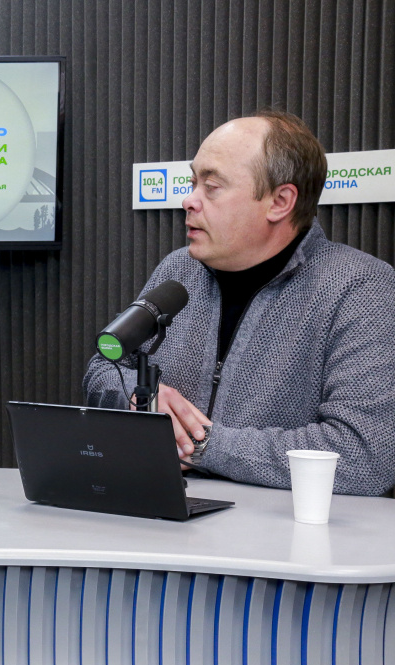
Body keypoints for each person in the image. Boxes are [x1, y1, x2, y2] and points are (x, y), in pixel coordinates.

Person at [84, 110, 395, 496]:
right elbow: (104, 366)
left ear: (279, 201)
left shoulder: (361, 288)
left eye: (211, 186)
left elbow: (364, 456)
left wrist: (202, 445)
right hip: (160, 510)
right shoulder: (178, 270)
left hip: (278, 528)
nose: (188, 200)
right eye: (192, 182)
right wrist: (140, 396)